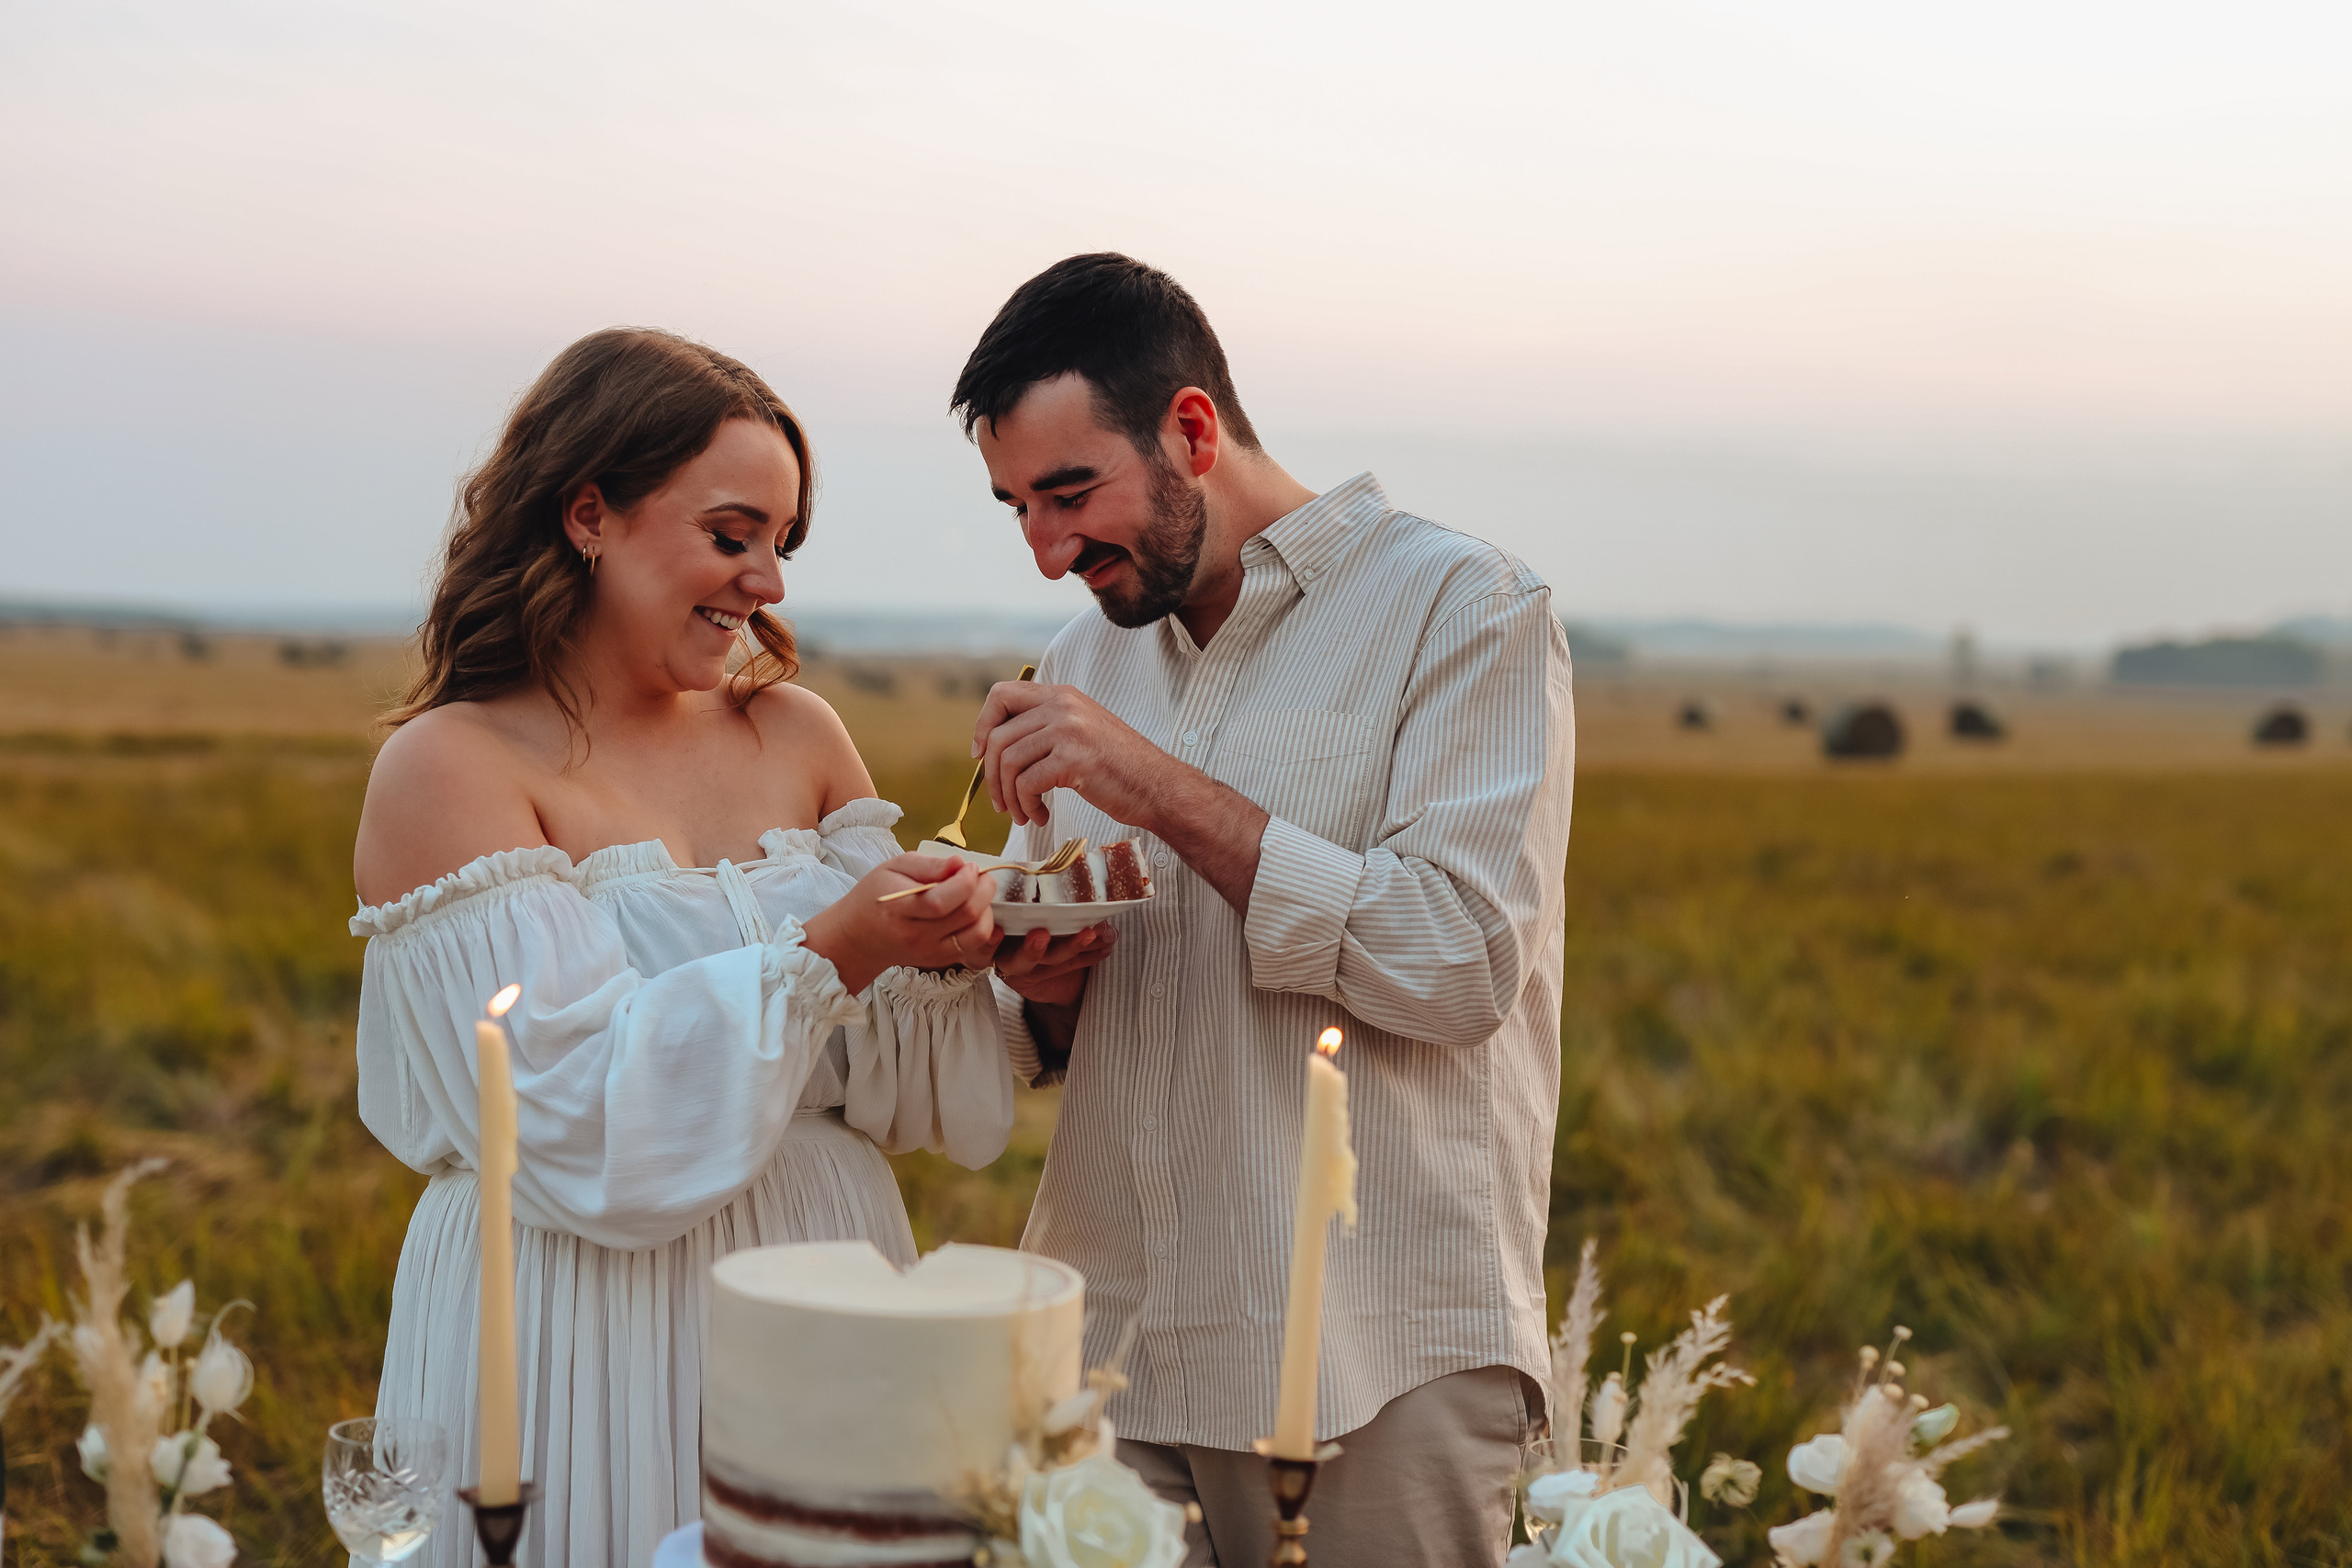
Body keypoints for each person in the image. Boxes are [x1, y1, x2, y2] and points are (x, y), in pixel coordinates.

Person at [349, 328, 1059, 1568]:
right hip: (578, 1318)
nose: (767, 584)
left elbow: (887, 1083)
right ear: (588, 515)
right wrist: (834, 946)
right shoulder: (450, 768)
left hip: (825, 1285)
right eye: (732, 538)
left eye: (781, 545)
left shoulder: (797, 732)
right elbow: (568, 1118)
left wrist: (1002, 978)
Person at [967, 255, 1575, 1565]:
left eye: (1071, 492)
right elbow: (1037, 1024)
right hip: (1112, 1346)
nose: (1048, 548)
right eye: (1017, 506)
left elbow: (1459, 961)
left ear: (1192, 430)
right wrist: (1042, 983)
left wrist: (1156, 786)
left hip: (1379, 1357)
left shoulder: (1464, 609)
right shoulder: (1085, 659)